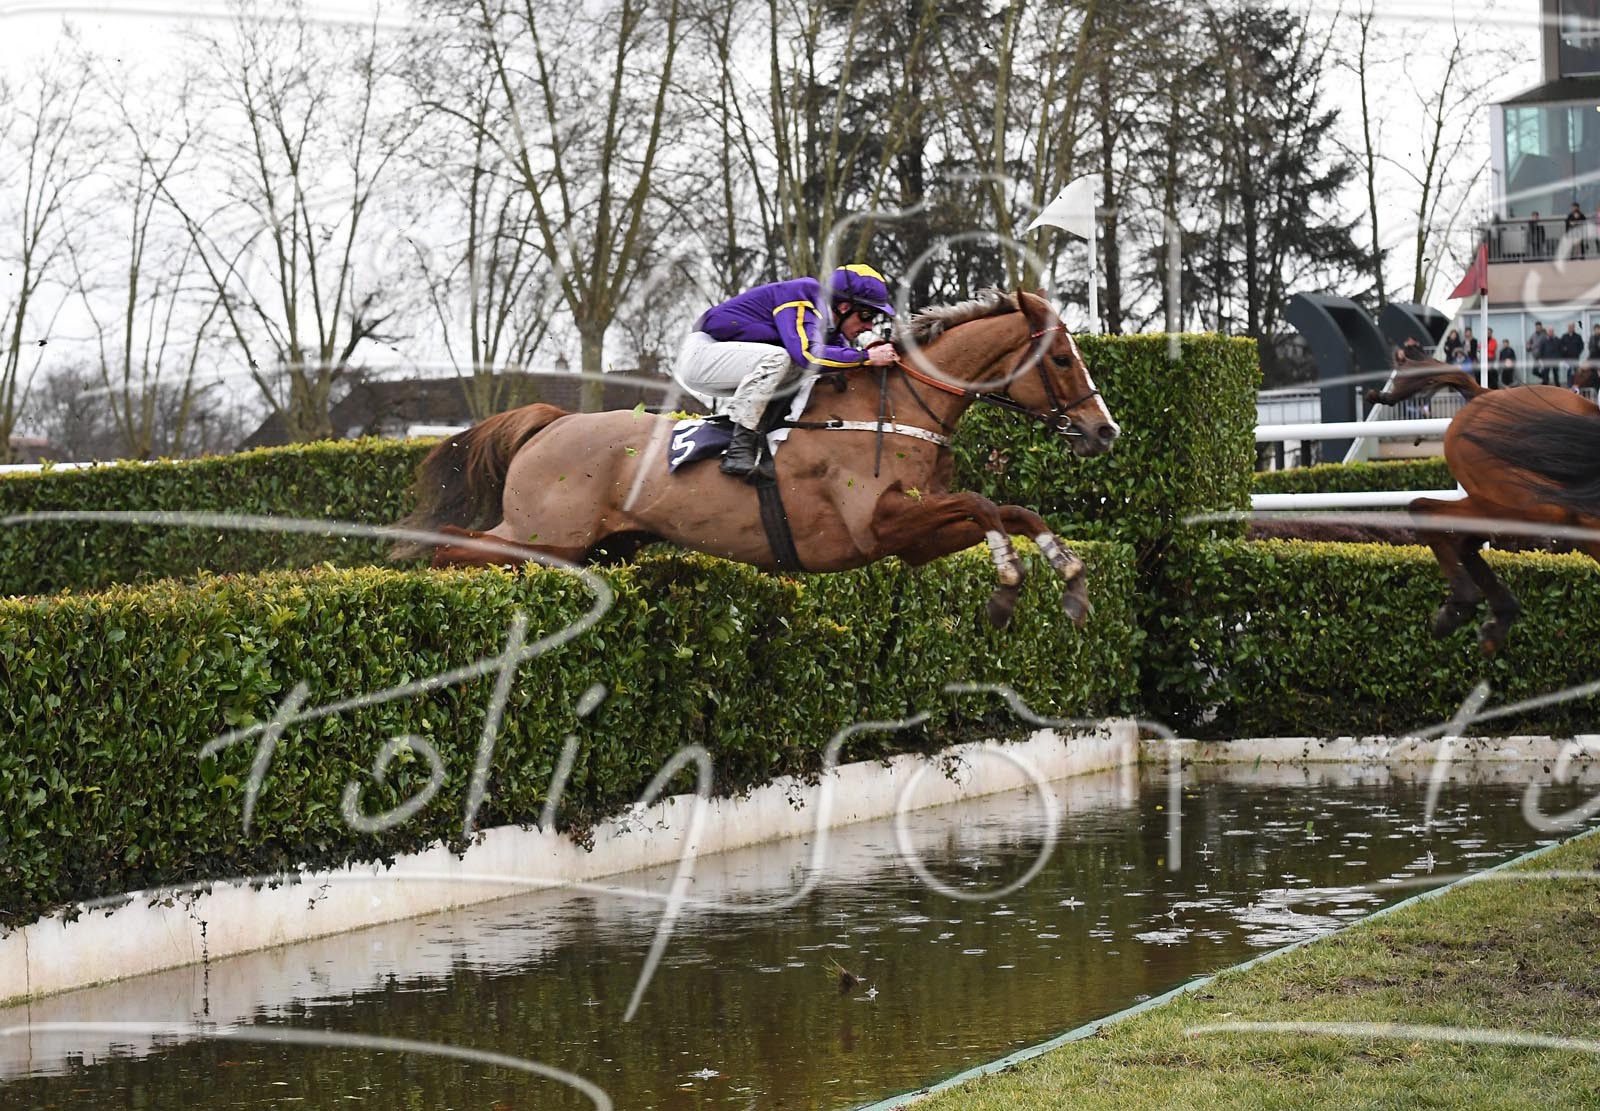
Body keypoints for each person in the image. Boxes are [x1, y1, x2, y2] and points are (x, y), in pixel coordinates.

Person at [674, 264, 899, 478]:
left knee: (812, 370)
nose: (869, 326)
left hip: (729, 363)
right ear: (844, 307)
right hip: (702, 355)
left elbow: (838, 365)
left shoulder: (832, 333)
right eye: (867, 316)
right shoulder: (803, 294)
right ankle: (739, 449)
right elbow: (807, 354)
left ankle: (762, 441)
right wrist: (866, 357)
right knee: (784, 359)